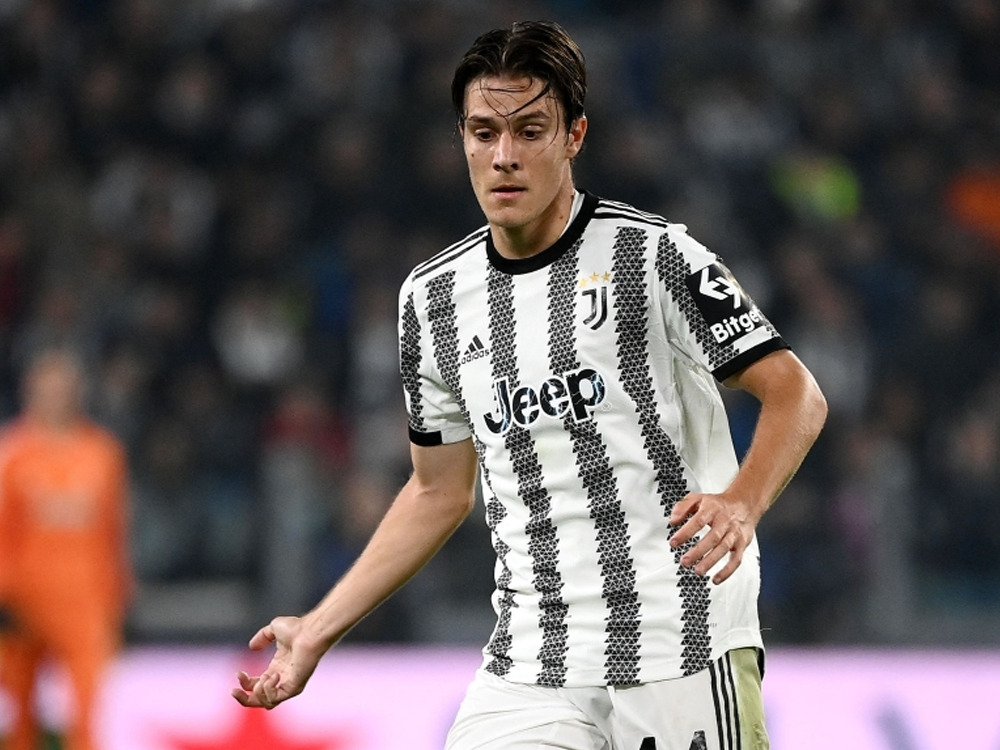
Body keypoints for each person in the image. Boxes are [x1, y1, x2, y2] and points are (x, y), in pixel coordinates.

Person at [233, 20, 827, 750]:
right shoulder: (432, 299)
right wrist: (318, 629)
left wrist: (742, 502)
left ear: (574, 136)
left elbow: (796, 392)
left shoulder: (656, 256)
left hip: (683, 637)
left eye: (530, 130)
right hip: (534, 660)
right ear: (461, 139)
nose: (504, 156)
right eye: (484, 133)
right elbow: (437, 491)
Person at [0, 348, 133, 750]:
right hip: (22, 600)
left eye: (63, 389)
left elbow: (114, 529)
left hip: (84, 600)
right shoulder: (11, 453)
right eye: (47, 389)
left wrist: (118, 591)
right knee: (19, 712)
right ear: (30, 391)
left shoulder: (102, 453)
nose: (55, 397)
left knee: (89, 709)